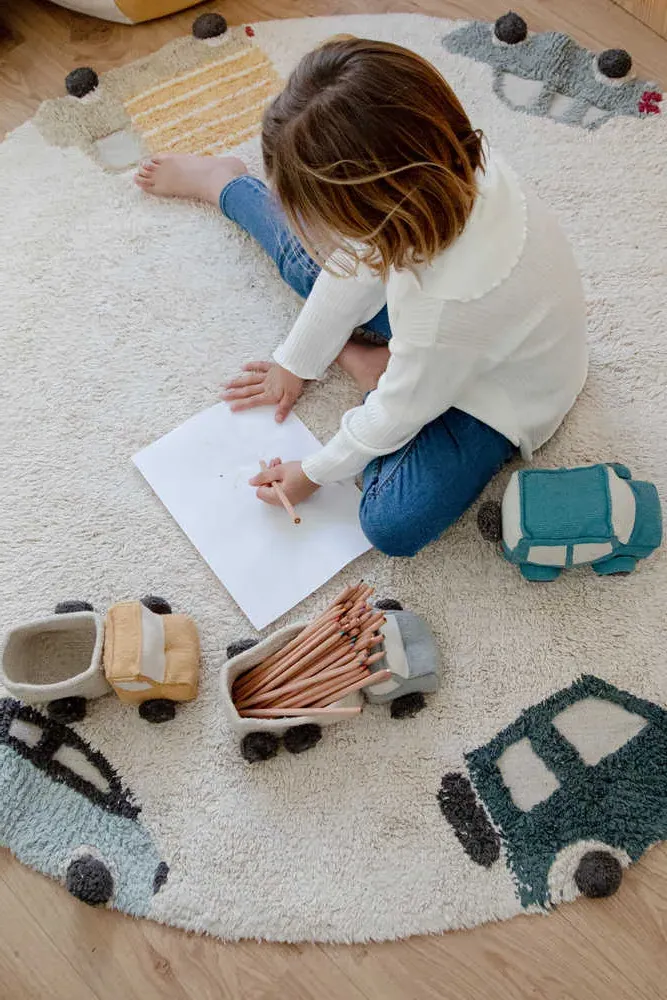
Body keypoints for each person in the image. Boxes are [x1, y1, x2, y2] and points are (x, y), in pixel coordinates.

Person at [135, 38, 588, 557]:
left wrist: (314, 470)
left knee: (392, 522)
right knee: (325, 268)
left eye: (319, 215)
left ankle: (366, 356)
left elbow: (398, 411)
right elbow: (358, 263)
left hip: (500, 396)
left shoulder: (444, 308)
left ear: (373, 208)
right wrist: (298, 360)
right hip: (455, 330)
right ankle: (226, 185)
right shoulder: (444, 166)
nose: (314, 226)